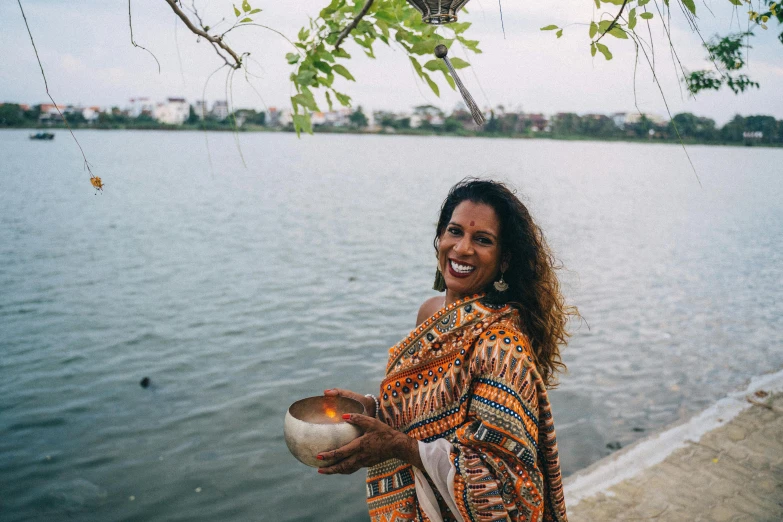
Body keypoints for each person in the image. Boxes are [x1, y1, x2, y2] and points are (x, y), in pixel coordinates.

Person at [317, 179, 576, 522]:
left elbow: (502, 483)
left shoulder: (500, 345)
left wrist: (395, 446)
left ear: (504, 260)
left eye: (482, 240)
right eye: (454, 232)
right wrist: (372, 410)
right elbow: (427, 414)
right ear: (440, 238)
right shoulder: (430, 312)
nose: (462, 248)